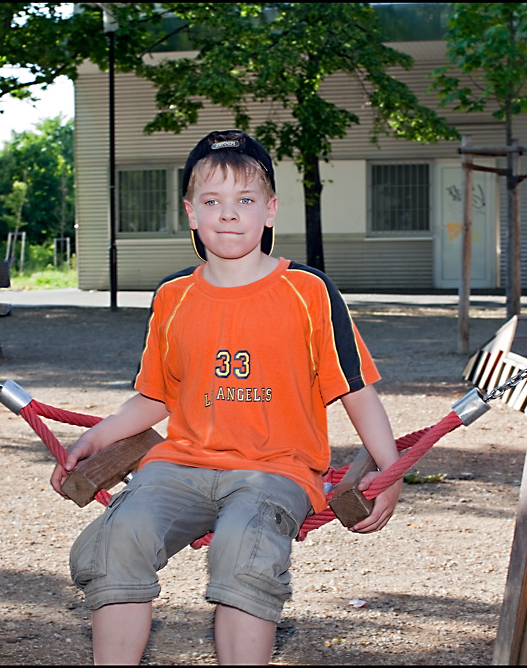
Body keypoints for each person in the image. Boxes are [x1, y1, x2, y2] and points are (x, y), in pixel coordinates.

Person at [51, 129, 403, 665]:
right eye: (212, 201)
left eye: (245, 200)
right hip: (182, 465)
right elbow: (155, 398)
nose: (229, 214)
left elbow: (355, 390)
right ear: (191, 213)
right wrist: (93, 439)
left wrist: (389, 469)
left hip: (276, 469)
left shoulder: (307, 292)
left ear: (269, 210)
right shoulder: (174, 297)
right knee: (117, 536)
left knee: (244, 547)